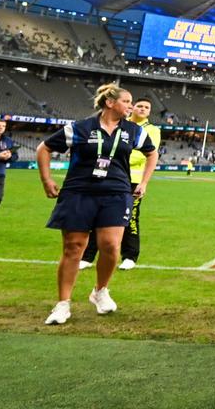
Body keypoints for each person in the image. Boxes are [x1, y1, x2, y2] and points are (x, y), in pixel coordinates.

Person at [37, 83, 156, 325]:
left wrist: (144, 182)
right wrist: (46, 179)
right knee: (74, 246)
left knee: (111, 246)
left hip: (116, 192)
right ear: (110, 103)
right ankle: (62, 305)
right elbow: (44, 148)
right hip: (79, 192)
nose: (130, 106)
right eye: (126, 101)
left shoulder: (133, 131)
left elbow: (151, 153)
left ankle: (100, 291)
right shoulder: (80, 128)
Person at [81, 96, 161, 270]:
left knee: (130, 217)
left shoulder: (152, 130)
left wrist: (117, 157)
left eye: (146, 107)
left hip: (133, 179)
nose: (142, 109)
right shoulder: (120, 124)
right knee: (98, 214)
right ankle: (88, 256)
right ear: (132, 107)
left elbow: (145, 154)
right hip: (108, 176)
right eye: (139, 106)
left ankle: (130, 256)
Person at [0, 118, 19, 213]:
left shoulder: (8, 140)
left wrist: (9, 156)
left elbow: (15, 156)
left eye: (3, 126)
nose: (1, 128)